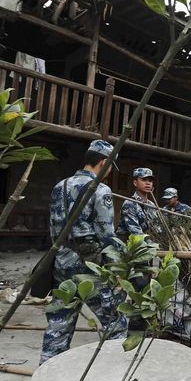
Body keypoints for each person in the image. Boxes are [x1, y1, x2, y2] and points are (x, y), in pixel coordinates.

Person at [40, 140, 127, 364]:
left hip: (61, 262)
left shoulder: (60, 185)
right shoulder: (100, 189)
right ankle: (112, 373)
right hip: (90, 267)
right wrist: (122, 261)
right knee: (116, 320)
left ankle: (47, 375)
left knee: (59, 322)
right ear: (102, 162)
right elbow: (106, 234)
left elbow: (53, 227)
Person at [116, 167, 157, 242]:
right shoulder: (130, 204)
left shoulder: (152, 205)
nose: (148, 183)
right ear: (135, 183)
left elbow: (156, 228)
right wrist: (152, 245)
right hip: (127, 246)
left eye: (150, 181)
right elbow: (136, 233)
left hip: (144, 244)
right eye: (144, 180)